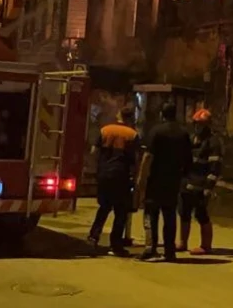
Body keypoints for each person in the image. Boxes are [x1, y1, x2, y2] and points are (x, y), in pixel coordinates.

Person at [134, 101, 191, 262]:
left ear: (162, 114)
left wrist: (141, 179)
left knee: (151, 214)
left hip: (156, 180)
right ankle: (169, 251)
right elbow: (188, 159)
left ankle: (150, 248)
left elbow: (148, 157)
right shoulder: (183, 133)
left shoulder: (156, 132)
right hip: (173, 181)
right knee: (170, 216)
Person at [87, 105, 138, 256]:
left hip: (105, 175)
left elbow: (93, 152)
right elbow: (136, 160)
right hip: (122, 177)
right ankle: (116, 245)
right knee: (120, 212)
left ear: (118, 115)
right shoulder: (132, 135)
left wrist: (99, 169)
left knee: (103, 209)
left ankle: (93, 237)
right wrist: (135, 179)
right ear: (131, 118)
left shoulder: (105, 130)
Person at [179, 108, 221, 255]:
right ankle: (183, 242)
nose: (198, 127)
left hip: (201, 184)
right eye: (196, 124)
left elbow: (214, 168)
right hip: (187, 182)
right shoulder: (192, 139)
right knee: (184, 212)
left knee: (201, 214)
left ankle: (206, 245)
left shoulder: (212, 143)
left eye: (201, 124)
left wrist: (208, 187)